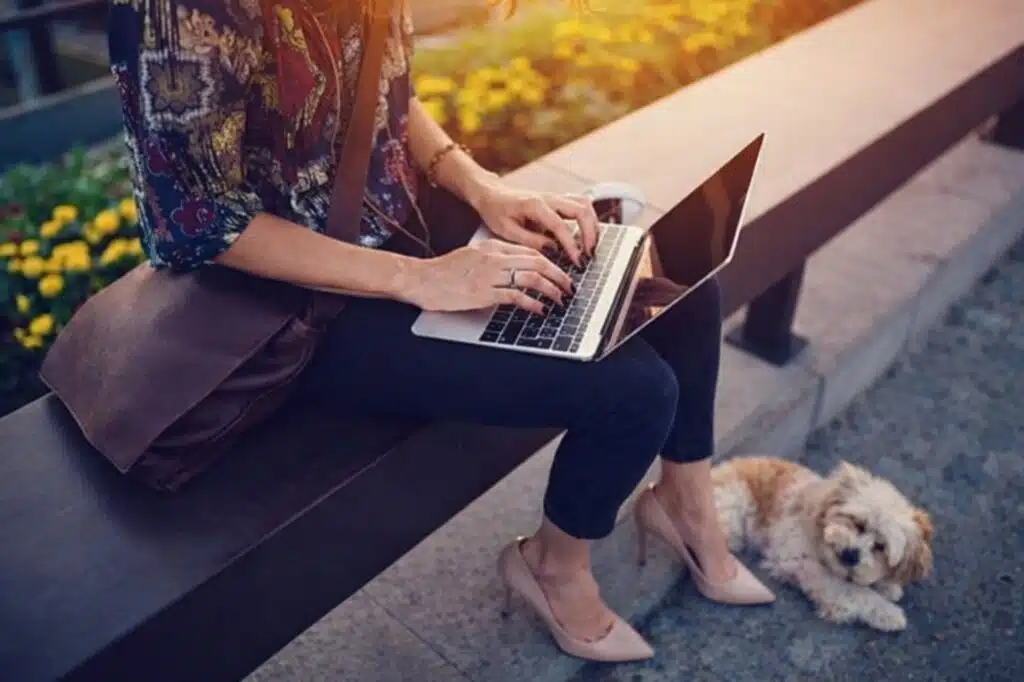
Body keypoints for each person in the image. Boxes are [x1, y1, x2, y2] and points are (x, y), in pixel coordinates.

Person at [101, 0, 774, 663]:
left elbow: (386, 89)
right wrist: (418, 280)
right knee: (634, 391)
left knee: (683, 293)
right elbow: (199, 225)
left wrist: (484, 190)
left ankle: (685, 507)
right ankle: (552, 567)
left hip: (402, 220)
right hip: (296, 300)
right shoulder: (180, 10)